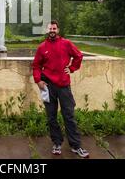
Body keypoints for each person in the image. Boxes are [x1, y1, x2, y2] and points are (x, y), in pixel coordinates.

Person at [32, 20, 90, 158]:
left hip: (63, 86)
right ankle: (57, 143)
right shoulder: (42, 47)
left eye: (54, 28)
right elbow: (36, 65)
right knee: (51, 117)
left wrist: (71, 68)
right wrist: (38, 80)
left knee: (69, 116)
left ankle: (76, 146)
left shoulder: (66, 44)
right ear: (47, 30)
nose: (52, 30)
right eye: (50, 28)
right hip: (48, 86)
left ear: (58, 30)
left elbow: (78, 56)